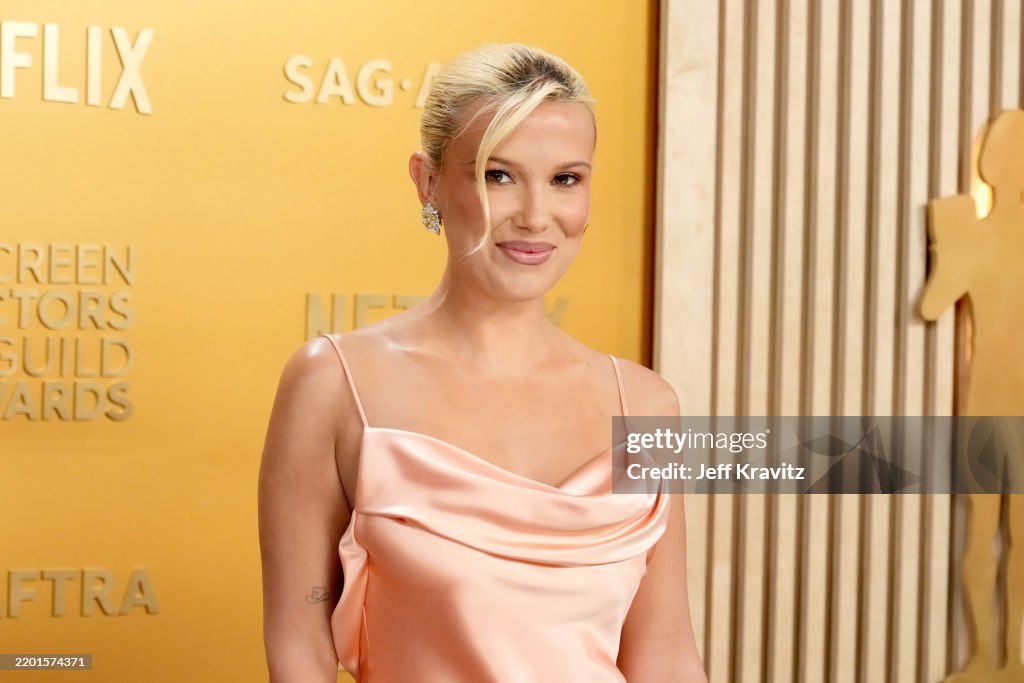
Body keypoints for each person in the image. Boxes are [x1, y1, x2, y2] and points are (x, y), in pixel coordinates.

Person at [258, 43, 706, 682]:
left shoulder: (647, 404)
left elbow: (665, 655)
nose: (534, 216)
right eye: (499, 175)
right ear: (428, 180)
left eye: (565, 179)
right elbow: (299, 650)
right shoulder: (334, 384)